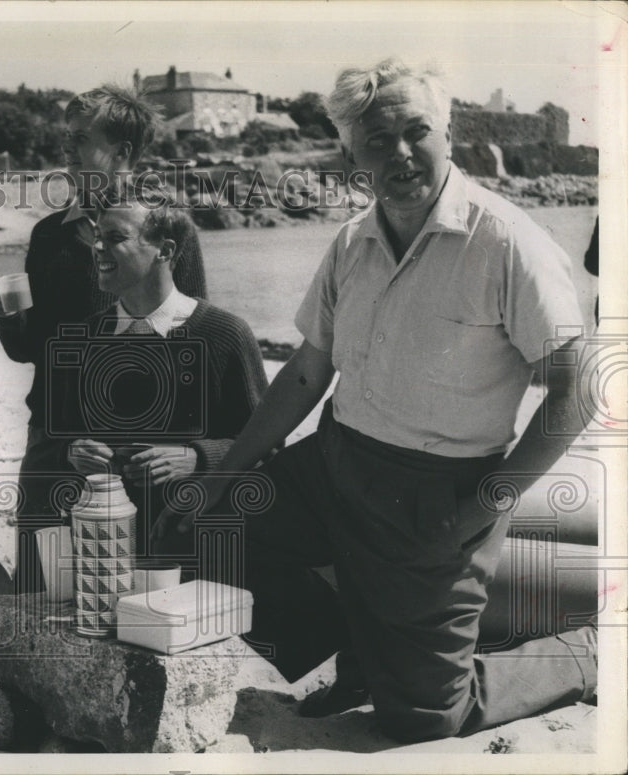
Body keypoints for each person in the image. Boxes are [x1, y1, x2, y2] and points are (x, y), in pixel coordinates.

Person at [155, 58, 597, 742]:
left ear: (447, 131)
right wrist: (224, 475)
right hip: (333, 464)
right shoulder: (351, 241)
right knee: (212, 527)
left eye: (416, 131)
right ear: (349, 154)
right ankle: (358, 650)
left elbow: (575, 392)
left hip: (439, 496)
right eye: (376, 141)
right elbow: (307, 372)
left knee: (422, 719)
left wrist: (486, 504)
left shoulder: (509, 244)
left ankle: (583, 652)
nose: (399, 153)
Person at [0, 86, 208, 593]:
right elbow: (29, 348)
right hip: (54, 434)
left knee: (130, 591)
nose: (66, 150)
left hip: (136, 442)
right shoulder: (49, 234)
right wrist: (9, 314)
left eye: (81, 140)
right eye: (66, 138)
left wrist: (183, 446)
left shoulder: (167, 230)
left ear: (123, 153)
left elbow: (195, 338)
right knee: (42, 584)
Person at [55, 185, 267, 569]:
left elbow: (267, 445)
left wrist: (197, 457)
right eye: (98, 238)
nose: (98, 248)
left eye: (115, 238)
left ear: (165, 251)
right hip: (106, 545)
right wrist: (75, 451)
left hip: (201, 548)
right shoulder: (85, 337)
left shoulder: (225, 334)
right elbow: (65, 437)